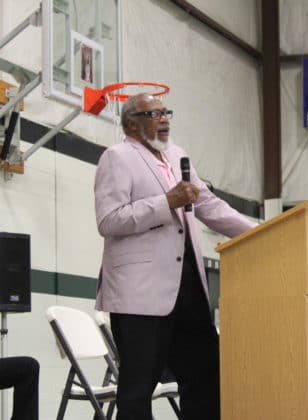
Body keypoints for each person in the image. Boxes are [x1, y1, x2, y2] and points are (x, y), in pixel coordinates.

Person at [94, 93, 257, 420]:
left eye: (165, 112)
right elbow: (109, 220)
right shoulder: (117, 157)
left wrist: (260, 230)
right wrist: (165, 202)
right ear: (132, 123)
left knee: (206, 376)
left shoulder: (177, 156)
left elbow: (208, 205)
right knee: (137, 389)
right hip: (140, 294)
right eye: (153, 113)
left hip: (188, 289)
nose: (164, 119)